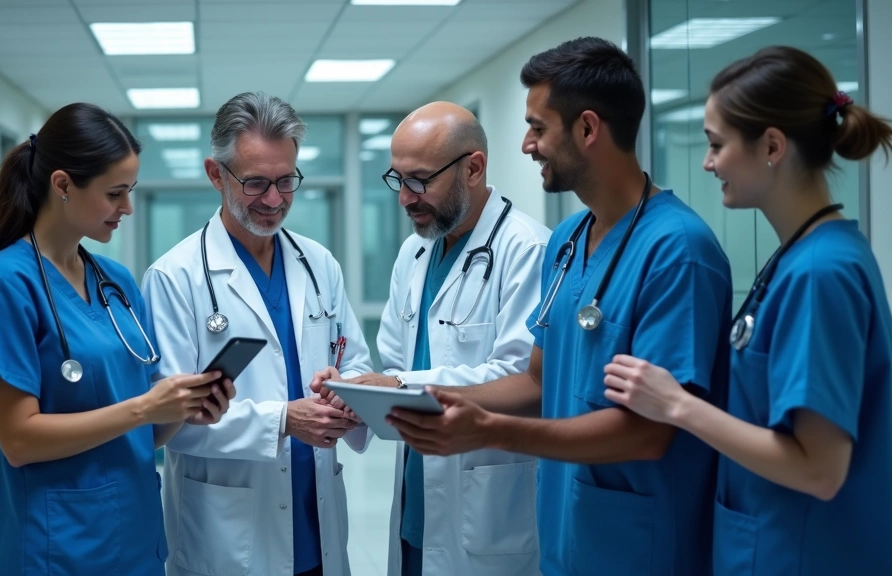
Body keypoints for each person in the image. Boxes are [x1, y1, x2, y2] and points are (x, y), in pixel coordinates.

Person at [384, 37, 733, 576]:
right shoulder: (568, 242)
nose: (526, 145)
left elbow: (653, 429)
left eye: (538, 128)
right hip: (564, 531)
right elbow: (538, 379)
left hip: (640, 543)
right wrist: (421, 397)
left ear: (588, 129)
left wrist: (489, 429)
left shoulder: (678, 250)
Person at [603, 45, 892, 576]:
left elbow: (820, 469)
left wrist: (676, 406)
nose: (708, 162)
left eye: (716, 144)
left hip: (804, 554)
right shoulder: (801, 257)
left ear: (772, 146)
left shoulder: (821, 272)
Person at [0, 102, 235, 576]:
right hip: (55, 547)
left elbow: (140, 432)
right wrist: (146, 408)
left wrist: (186, 409)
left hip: (135, 539)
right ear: (62, 184)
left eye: (130, 191)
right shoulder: (5, 285)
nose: (127, 207)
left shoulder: (117, 283)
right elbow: (19, 439)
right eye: (114, 193)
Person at [141, 91, 372, 576]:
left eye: (286, 181)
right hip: (229, 542)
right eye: (256, 183)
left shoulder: (319, 264)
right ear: (215, 174)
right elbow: (170, 424)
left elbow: (356, 362)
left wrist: (349, 392)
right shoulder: (175, 277)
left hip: (319, 523)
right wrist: (282, 420)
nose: (274, 200)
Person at [315, 102, 547, 575]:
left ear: (474, 168)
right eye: (397, 179)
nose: (404, 197)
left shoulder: (527, 250)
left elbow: (522, 378)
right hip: (417, 503)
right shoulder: (415, 252)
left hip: (487, 511)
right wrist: (357, 395)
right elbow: (399, 367)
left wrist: (397, 388)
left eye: (420, 180)